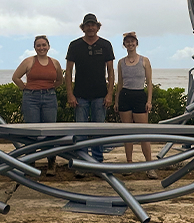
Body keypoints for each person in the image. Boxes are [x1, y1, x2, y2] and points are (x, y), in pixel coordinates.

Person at [65, 13, 115, 172]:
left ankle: (97, 163)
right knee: (80, 131)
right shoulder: (74, 45)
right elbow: (68, 71)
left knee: (99, 131)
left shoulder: (106, 45)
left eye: (93, 25)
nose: (90, 27)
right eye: (88, 25)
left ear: (98, 27)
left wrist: (109, 94)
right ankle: (82, 164)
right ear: (83, 27)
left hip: (100, 95)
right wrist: (70, 94)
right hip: (80, 96)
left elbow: (111, 72)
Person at [11, 35, 64, 176]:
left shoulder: (55, 63)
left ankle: (51, 163)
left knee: (50, 131)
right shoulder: (28, 61)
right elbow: (16, 77)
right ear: (35, 47)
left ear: (48, 46)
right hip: (31, 99)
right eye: (38, 45)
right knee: (32, 131)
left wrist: (49, 89)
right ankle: (31, 162)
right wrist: (25, 89)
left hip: (49, 98)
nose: (41, 48)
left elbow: (60, 80)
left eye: (44, 45)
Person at [114, 31, 157, 179]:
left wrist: (149, 101)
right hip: (125, 96)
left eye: (132, 41)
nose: (130, 44)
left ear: (136, 43)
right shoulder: (120, 62)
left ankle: (150, 166)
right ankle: (129, 163)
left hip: (139, 96)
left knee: (143, 134)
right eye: (127, 42)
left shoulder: (144, 60)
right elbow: (119, 83)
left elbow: (149, 82)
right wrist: (116, 100)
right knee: (127, 133)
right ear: (124, 44)